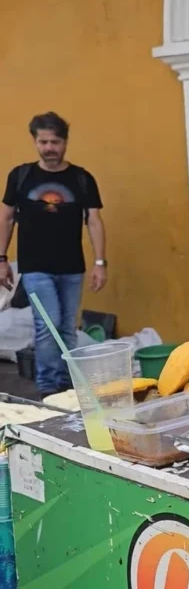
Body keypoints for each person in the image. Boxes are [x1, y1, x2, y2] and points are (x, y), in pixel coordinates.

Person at [0, 112, 107, 398]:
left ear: (65, 142)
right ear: (35, 141)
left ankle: (68, 386)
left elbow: (94, 221)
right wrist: (1, 259)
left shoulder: (82, 179)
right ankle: (48, 388)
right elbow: (6, 217)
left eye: (55, 141)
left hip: (72, 267)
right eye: (43, 141)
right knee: (47, 324)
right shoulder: (21, 176)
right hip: (35, 268)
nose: (49, 147)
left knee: (67, 328)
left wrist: (100, 262)